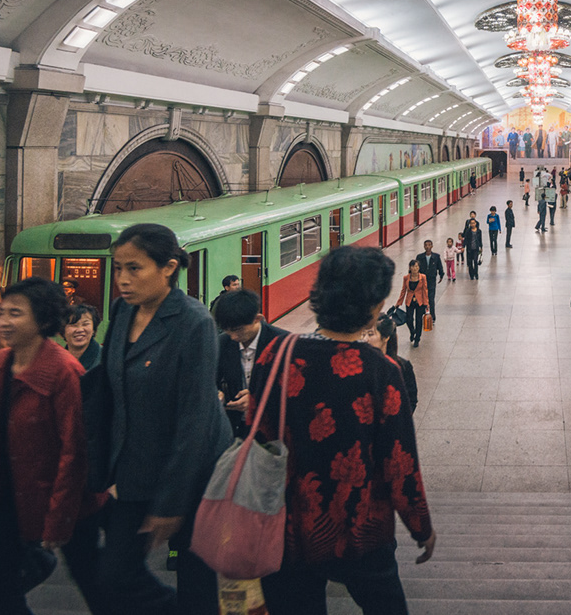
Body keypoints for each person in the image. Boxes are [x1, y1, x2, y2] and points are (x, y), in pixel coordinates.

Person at [249, 245, 434, 614]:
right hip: (361, 527)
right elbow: (399, 462)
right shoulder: (381, 371)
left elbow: (259, 437)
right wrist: (420, 525)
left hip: (288, 526)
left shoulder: (275, 354)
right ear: (374, 306)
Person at [87, 223, 231, 615]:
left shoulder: (194, 323)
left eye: (134, 268)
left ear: (168, 267)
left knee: (196, 583)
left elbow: (196, 421)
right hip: (134, 467)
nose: (122, 280)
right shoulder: (121, 310)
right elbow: (109, 387)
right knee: (115, 575)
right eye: (117, 268)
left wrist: (170, 503)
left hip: (192, 473)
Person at [0, 277, 89, 615]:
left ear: (42, 319)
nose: (4, 322)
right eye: (2, 312)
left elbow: (74, 450)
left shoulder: (64, 372)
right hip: (6, 499)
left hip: (47, 499)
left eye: (16, 313)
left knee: (100, 585)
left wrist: (59, 518)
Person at [214, 288, 287, 439]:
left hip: (273, 431)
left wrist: (258, 400)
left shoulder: (282, 343)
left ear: (257, 318)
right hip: (235, 429)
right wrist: (216, 394)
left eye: (238, 330)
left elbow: (292, 391)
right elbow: (210, 380)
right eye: (227, 331)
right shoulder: (222, 343)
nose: (233, 337)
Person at [373, 313, 418, 414]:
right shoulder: (360, 365)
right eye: (364, 334)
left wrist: (400, 421)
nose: (365, 339)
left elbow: (411, 400)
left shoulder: (402, 366)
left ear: (386, 337)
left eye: (371, 334)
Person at [396, 258, 430, 348]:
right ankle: (412, 331)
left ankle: (417, 339)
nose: (415, 268)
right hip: (409, 301)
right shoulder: (406, 278)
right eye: (413, 266)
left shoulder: (423, 277)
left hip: (420, 302)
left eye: (417, 266)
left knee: (419, 320)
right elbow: (403, 291)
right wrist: (399, 302)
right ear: (410, 268)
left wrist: (426, 303)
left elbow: (425, 290)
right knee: (409, 319)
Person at [63, 303, 101, 370]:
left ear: (93, 329)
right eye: (73, 325)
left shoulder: (108, 357)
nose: (80, 330)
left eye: (85, 324)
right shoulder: (57, 360)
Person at [415, 239, 444, 325]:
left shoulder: (436, 256)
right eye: (426, 245)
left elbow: (440, 267)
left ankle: (432, 317)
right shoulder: (419, 257)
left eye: (429, 245)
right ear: (424, 246)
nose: (427, 247)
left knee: (431, 299)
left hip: (431, 280)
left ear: (432, 246)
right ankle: (424, 315)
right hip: (422, 280)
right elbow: (416, 267)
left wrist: (441, 275)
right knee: (423, 298)